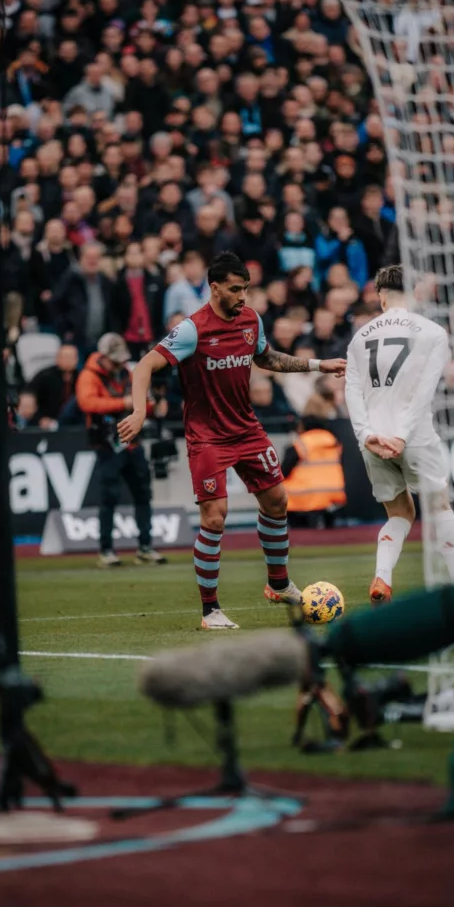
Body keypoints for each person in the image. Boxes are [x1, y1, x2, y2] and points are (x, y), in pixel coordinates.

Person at [119, 251, 346, 630]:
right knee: (215, 517)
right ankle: (210, 611)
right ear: (215, 288)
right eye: (236, 289)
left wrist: (318, 365)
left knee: (277, 500)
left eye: (246, 289)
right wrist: (139, 411)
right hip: (207, 438)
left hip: (246, 429)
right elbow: (144, 365)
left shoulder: (250, 320)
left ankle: (278, 584)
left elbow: (267, 358)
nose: (244, 296)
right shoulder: (193, 329)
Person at [344, 264, 454, 605]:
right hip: (412, 435)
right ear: (413, 293)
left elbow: (352, 391)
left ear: (380, 296)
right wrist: (401, 435)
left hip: (372, 439)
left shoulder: (360, 337)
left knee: (399, 513)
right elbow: (424, 392)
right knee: (440, 505)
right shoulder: (432, 332)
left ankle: (383, 577)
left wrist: (365, 435)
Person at [76, 332, 167, 567]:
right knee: (109, 497)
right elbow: (87, 403)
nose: (120, 364)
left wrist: (153, 405)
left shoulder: (126, 373)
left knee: (143, 494)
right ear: (103, 357)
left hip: (131, 443)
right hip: (107, 445)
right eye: (115, 360)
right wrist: (124, 403)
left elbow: (141, 399)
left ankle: (145, 547)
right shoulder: (89, 375)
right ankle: (106, 550)